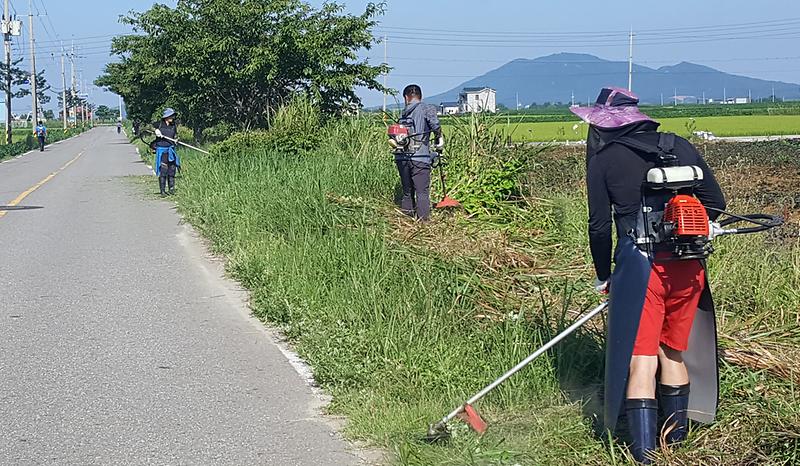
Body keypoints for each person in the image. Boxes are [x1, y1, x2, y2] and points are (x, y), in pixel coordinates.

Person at [572, 87, 727, 464]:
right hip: (689, 266)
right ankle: (676, 449)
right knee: (672, 351)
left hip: (642, 267)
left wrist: (603, 275)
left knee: (641, 358)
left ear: (603, 125)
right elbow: (716, 205)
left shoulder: (604, 160)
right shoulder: (680, 146)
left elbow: (598, 227)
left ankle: (646, 456)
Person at [394, 84, 444, 221]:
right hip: (420, 157)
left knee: (407, 192)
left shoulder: (403, 113)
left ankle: (405, 223)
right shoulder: (427, 108)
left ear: (406, 97)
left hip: (401, 158)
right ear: (420, 96)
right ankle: (423, 225)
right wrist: (439, 141)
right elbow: (436, 127)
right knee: (422, 192)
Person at [151, 108, 181, 196]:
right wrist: (155, 131)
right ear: (166, 117)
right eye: (171, 116)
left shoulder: (173, 125)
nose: (172, 117)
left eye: (173, 116)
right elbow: (149, 127)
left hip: (171, 149)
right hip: (162, 150)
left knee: (172, 170)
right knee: (163, 171)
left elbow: (175, 135)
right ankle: (162, 191)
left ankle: (171, 189)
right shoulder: (159, 124)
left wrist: (176, 140)